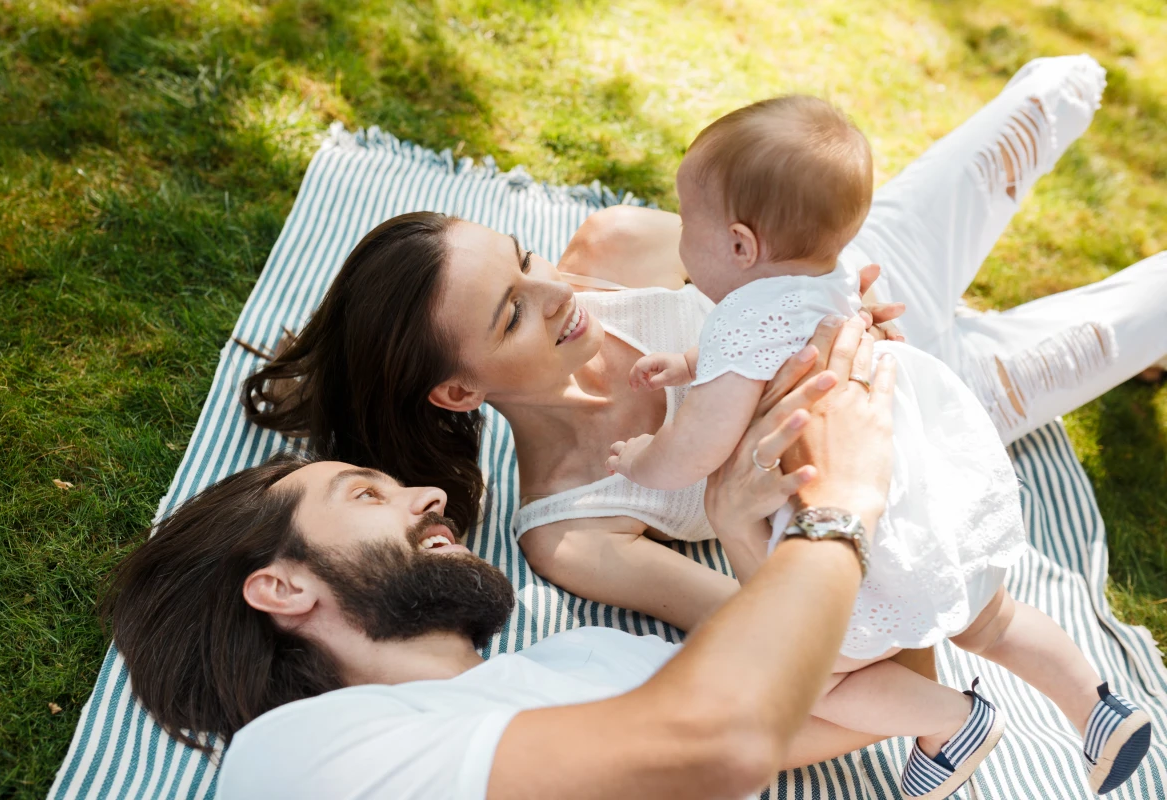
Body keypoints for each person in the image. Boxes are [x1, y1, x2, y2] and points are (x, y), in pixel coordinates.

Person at [241, 54, 1167, 643]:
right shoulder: (571, 527)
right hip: (929, 406)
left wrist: (851, 293)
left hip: (873, 269)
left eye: (524, 261)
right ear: (456, 393)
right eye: (513, 314)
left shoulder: (605, 251)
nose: (559, 292)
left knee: (1055, 90)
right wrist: (733, 512)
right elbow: (765, 630)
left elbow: (762, 251)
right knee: (1147, 312)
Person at [605, 94, 1150, 798]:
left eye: (686, 221)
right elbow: (766, 347)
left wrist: (644, 457)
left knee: (813, 676)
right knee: (993, 617)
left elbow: (698, 445)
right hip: (925, 486)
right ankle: (1098, 708)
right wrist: (692, 363)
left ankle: (953, 722)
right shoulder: (825, 273)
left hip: (862, 534)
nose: (680, 235)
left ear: (741, 245)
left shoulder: (743, 317)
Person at [108, 329, 904, 798]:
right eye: (364, 495)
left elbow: (865, 692)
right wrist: (839, 511)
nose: (427, 496)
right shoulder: (293, 756)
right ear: (283, 586)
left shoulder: (588, 657)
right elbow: (718, 739)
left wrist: (751, 529)